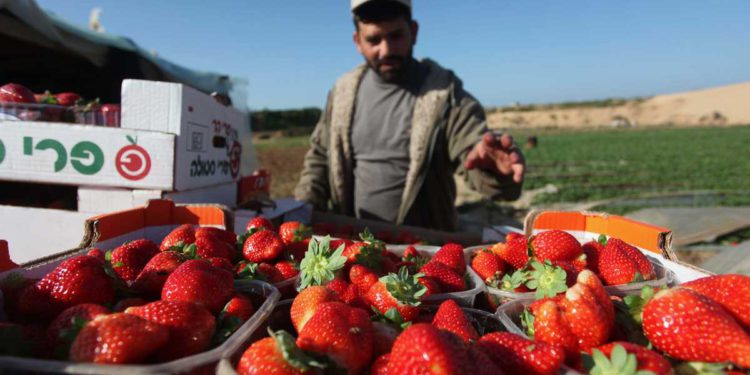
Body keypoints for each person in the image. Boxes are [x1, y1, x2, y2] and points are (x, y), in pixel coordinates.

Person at [294, 0, 525, 231]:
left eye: (396, 36)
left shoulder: (444, 93)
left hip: (424, 250)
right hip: (355, 247)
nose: (386, 50)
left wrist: (493, 171)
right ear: (357, 42)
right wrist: (303, 207)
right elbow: (321, 157)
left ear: (413, 32)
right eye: (374, 40)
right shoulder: (342, 93)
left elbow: (471, 147)